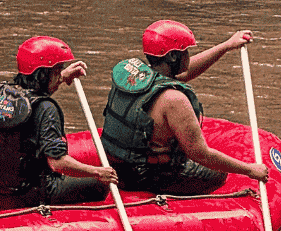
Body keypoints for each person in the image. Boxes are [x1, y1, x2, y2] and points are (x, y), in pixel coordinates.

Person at [101, 20, 269, 195]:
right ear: (173, 57)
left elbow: (184, 73)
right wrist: (250, 170)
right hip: (146, 177)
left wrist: (226, 46)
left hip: (118, 168)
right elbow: (200, 154)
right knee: (217, 174)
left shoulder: (135, 78)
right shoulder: (174, 100)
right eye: (185, 52)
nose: (188, 56)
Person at [0, 36, 117, 209]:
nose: (61, 73)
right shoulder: (46, 109)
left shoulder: (2, 93)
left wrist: (62, 77)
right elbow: (57, 163)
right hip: (31, 193)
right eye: (57, 70)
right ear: (42, 74)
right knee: (99, 184)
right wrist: (97, 172)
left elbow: (31, 100)